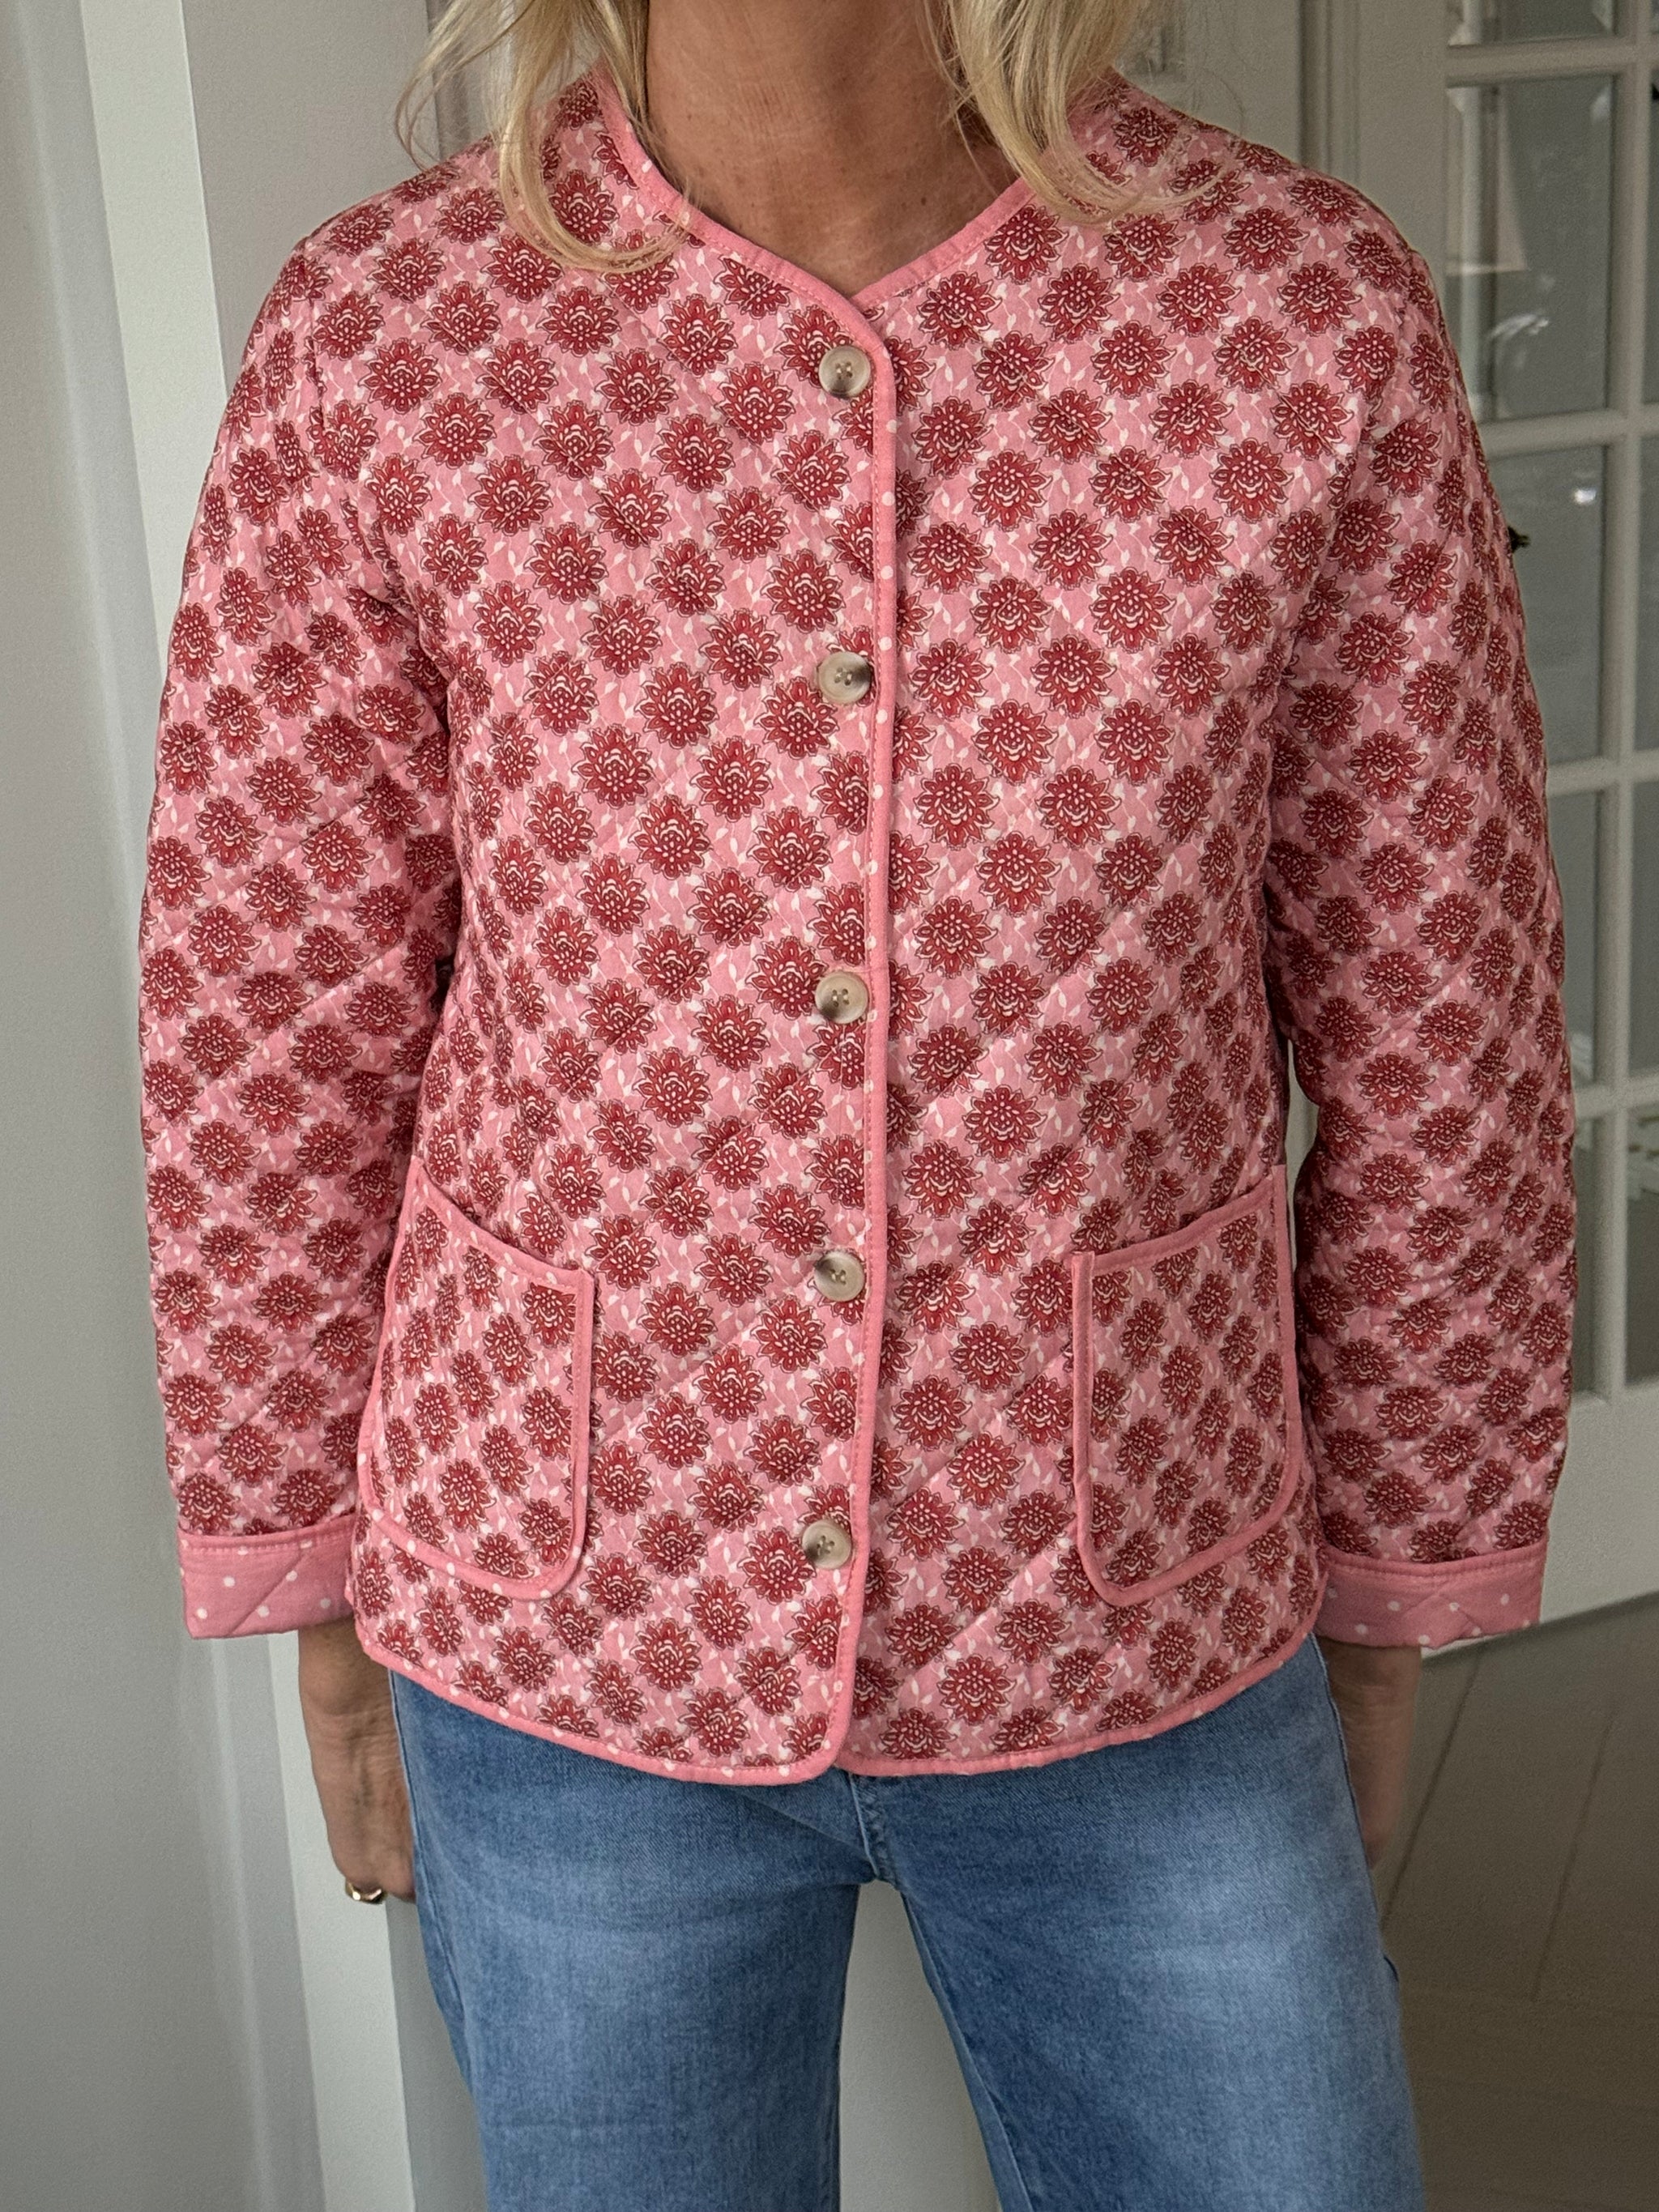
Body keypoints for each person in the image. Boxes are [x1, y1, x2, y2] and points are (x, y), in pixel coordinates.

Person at [135, 2, 1579, 2205]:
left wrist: (1399, 1571)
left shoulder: (1300, 322)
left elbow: (1438, 1009)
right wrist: (313, 1577)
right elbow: (272, 1011)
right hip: (560, 1620)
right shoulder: (391, 342)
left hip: (1145, 1602)